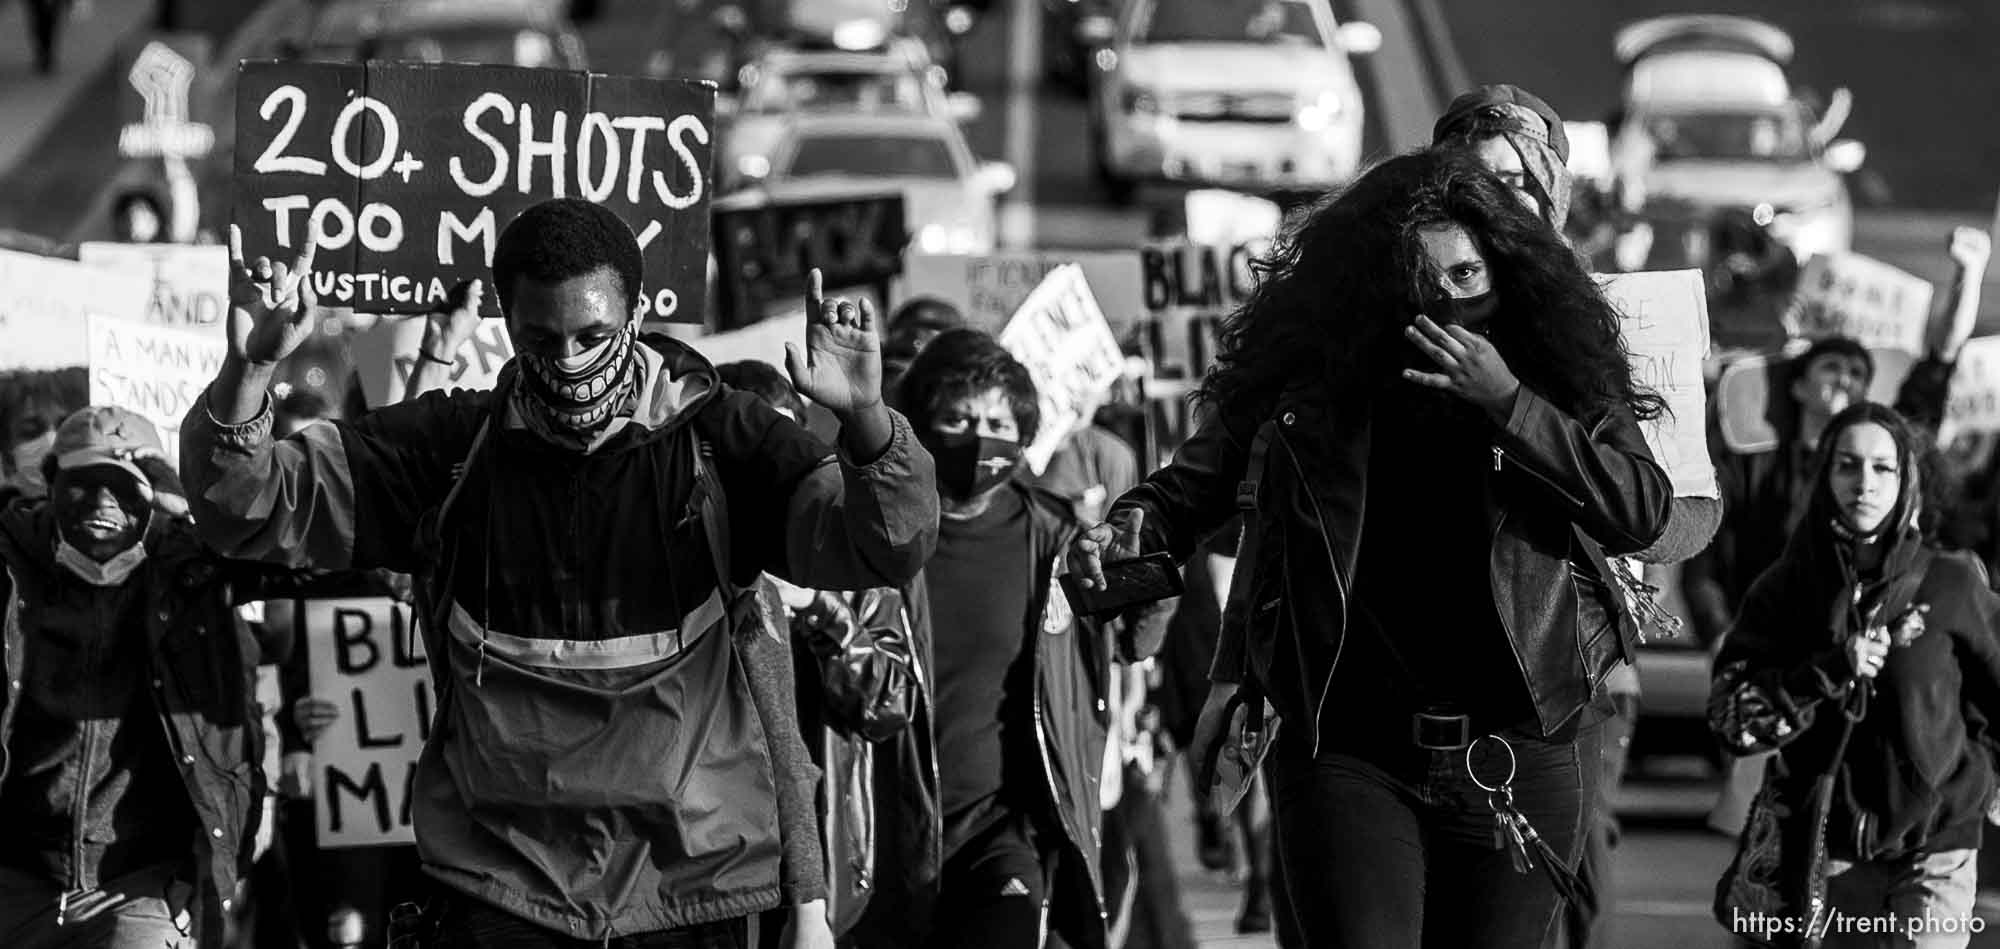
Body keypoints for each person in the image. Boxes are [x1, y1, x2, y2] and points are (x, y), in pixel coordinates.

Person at [179, 198, 939, 948]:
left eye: (593, 335)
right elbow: (245, 507)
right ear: (508, 324)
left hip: (690, 885)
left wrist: (867, 421)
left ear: (637, 312)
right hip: (503, 888)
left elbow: (878, 545)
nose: (570, 362)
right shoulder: (448, 448)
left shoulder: (723, 438)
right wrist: (248, 370)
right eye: (541, 340)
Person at [1070, 149, 1674, 948]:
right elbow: (1194, 485)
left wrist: (1512, 407)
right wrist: (1133, 524)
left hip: (1516, 749)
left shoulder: (1553, 367)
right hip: (1350, 748)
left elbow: (1642, 509)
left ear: (1507, 272)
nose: (1446, 306)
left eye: (1466, 279)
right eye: (1418, 286)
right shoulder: (1312, 376)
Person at [1432, 82, 1724, 949]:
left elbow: (1670, 517)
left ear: (1551, 197)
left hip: (1562, 683)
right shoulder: (1381, 321)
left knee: (1551, 905)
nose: (1495, 201)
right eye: (1472, 178)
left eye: (1518, 182)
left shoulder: (1607, 331)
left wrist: (1515, 410)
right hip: (1412, 687)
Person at [1709, 402, 2000, 949]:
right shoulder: (1785, 589)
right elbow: (1731, 717)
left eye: (1882, 467)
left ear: (1906, 479)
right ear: (1825, 476)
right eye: (1847, 465)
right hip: (1824, 851)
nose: (1863, 482)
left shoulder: (1952, 583)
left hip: (1937, 849)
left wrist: (1975, 782)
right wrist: (1828, 671)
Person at [0, 406, 270, 948]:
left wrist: (197, 509)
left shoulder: (191, 569)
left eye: (126, 489)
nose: (103, 504)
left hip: (138, 886)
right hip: (15, 876)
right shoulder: (10, 559)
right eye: (85, 484)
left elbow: (338, 561)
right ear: (50, 485)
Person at [888, 329, 1111, 949]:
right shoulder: (879, 532)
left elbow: (1129, 646)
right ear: (918, 424)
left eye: (996, 420)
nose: (979, 435)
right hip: (890, 832)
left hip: (1004, 833)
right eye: (957, 418)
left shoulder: (1055, 535)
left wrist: (1130, 570)